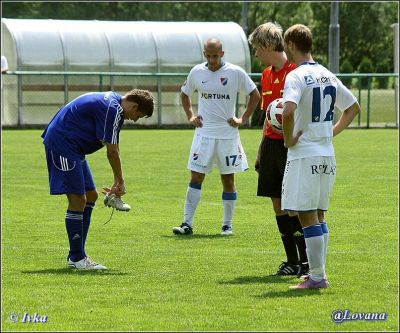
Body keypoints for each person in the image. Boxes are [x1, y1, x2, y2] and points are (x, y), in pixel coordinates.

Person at [281, 24, 360, 289]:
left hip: (305, 155)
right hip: (326, 154)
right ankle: (318, 272)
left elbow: (288, 110)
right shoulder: (327, 74)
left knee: (306, 215)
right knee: (319, 214)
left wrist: (288, 138)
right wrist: (330, 133)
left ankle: (316, 277)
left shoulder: (295, 76)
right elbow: (353, 108)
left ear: (291, 45)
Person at [42, 89, 154, 270]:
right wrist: (120, 182)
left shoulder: (112, 103)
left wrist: (117, 181)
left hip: (73, 148)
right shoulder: (114, 110)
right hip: (63, 144)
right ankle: (77, 259)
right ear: (134, 106)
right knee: (78, 199)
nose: (134, 119)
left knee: (90, 195)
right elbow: (112, 152)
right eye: (137, 115)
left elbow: (112, 147)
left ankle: (78, 255)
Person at [172, 38, 260, 236]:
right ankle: (187, 224)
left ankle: (227, 225)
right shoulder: (197, 72)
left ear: (222, 54)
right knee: (196, 177)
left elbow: (255, 95)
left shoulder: (235, 72)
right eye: (208, 56)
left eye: (215, 56)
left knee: (228, 179)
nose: (212, 60)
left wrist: (242, 118)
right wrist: (191, 115)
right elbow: (185, 94)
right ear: (205, 54)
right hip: (204, 134)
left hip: (227, 135)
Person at [248, 22, 309, 277]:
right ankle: (291, 261)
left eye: (257, 49)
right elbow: (267, 116)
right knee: (277, 203)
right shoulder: (265, 75)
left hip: (293, 144)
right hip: (272, 144)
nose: (255, 54)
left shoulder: (297, 72)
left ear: (268, 45)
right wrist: (262, 149)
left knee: (296, 205)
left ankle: (306, 261)